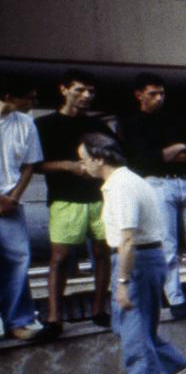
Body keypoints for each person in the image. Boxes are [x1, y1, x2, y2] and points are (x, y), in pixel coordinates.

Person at [77, 132, 186, 374]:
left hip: (136, 261)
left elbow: (127, 239)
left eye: (83, 160)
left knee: (136, 342)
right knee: (136, 332)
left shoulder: (121, 186)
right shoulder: (125, 181)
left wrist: (123, 283)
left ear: (99, 159)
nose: (81, 166)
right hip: (143, 259)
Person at [116, 73, 186, 319]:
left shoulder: (175, 119)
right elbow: (144, 160)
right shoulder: (132, 124)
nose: (158, 98)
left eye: (162, 93)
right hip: (157, 185)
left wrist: (166, 153)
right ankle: (175, 298)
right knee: (168, 244)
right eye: (153, 94)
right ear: (139, 95)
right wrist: (177, 147)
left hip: (183, 183)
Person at [36, 69, 114, 335]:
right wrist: (69, 166)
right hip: (65, 199)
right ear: (64, 90)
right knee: (60, 258)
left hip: (100, 197)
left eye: (90, 91)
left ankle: (99, 310)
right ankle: (55, 317)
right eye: (80, 90)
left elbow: (116, 156)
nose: (86, 96)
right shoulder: (45, 125)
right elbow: (34, 165)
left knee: (103, 253)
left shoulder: (98, 125)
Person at [0, 77, 47, 341]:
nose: (34, 103)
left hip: (10, 200)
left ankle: (18, 321)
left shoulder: (26, 123)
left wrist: (13, 198)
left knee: (18, 258)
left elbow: (29, 165)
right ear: (9, 96)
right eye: (29, 97)